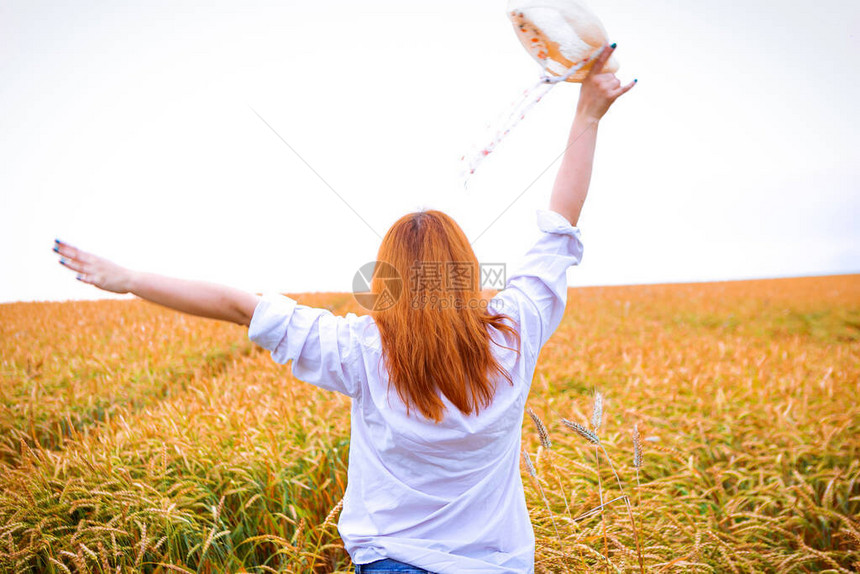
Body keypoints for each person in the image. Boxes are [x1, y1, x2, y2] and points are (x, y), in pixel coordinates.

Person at [53, 43, 634, 574]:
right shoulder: (517, 329)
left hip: (390, 563)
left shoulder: (362, 348)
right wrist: (587, 114)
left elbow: (236, 303)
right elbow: (560, 226)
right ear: (468, 271)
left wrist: (128, 278)